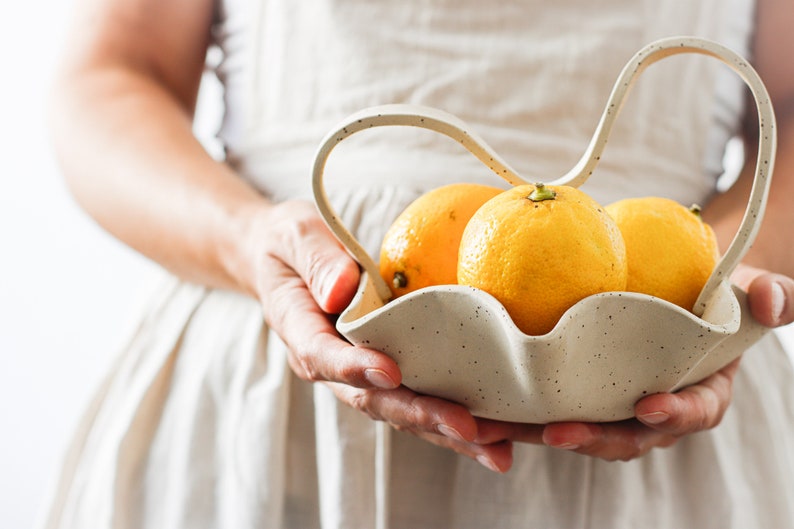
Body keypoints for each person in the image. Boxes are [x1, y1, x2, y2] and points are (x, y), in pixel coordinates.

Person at [42, 0, 794, 527]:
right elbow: (111, 74)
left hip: (658, 353)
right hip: (283, 365)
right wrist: (248, 238)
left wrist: (716, 300)